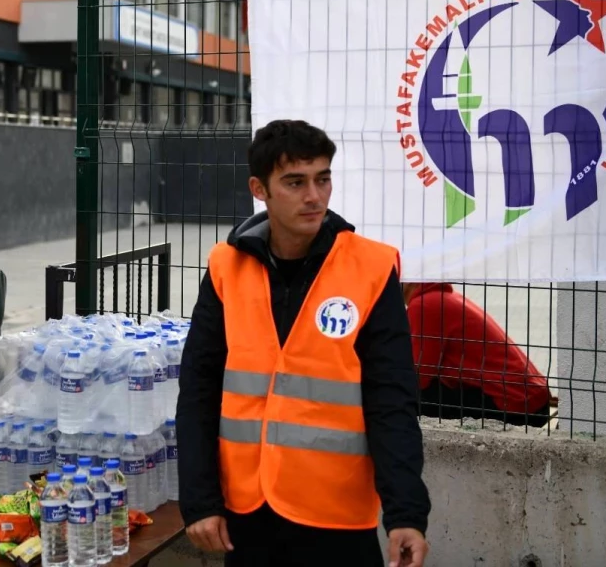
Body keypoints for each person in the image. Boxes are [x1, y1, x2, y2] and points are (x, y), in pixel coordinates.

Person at [177, 119, 431, 567]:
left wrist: (406, 513)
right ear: (260, 189)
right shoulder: (225, 267)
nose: (313, 196)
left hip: (335, 517)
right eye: (295, 182)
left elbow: (391, 399)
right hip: (246, 513)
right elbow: (198, 390)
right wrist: (200, 500)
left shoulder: (370, 269)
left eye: (322, 179)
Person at [403, 282, 555, 427]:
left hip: (517, 406)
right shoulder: (441, 297)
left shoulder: (424, 305)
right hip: (531, 398)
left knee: (403, 397)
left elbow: (418, 378)